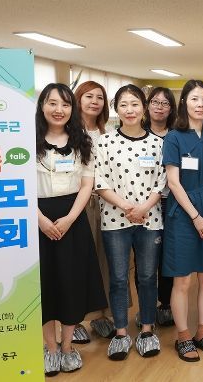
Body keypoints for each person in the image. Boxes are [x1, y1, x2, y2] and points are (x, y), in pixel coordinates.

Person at [36, 83, 107, 376]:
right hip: (37, 218)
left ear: (72, 109)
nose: (59, 110)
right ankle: (50, 349)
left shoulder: (82, 142)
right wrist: (40, 220)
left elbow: (87, 184)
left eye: (65, 104)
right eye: (52, 103)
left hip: (73, 218)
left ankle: (67, 347)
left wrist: (69, 219)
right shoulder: (26, 141)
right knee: (45, 285)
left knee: (71, 283)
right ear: (42, 106)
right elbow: (17, 186)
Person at [94, 84, 166, 360]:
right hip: (115, 220)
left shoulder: (158, 143)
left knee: (147, 276)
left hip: (150, 219)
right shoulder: (104, 142)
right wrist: (127, 207)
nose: (130, 110)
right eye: (123, 105)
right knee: (118, 278)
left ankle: (147, 329)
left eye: (135, 104)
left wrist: (143, 208)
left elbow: (162, 182)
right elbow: (100, 181)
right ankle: (121, 332)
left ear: (144, 107)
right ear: (116, 109)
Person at [162, 80, 203, 362]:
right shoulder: (174, 137)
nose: (200, 105)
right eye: (194, 99)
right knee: (183, 280)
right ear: (184, 102)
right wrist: (196, 217)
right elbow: (173, 183)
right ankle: (183, 336)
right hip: (184, 214)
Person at [72, 80, 115, 343]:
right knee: (78, 261)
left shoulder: (107, 134)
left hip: (106, 204)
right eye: (89, 96)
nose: (94, 102)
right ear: (78, 99)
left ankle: (100, 315)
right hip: (77, 203)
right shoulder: (68, 133)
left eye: (100, 97)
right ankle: (74, 318)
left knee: (103, 260)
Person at [145, 86, 177, 327]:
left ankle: (166, 304)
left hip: (171, 202)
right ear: (147, 105)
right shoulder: (137, 134)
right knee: (146, 259)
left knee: (169, 254)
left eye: (165, 103)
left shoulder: (177, 135)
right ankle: (146, 307)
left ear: (171, 108)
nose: (159, 107)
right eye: (155, 102)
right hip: (144, 204)